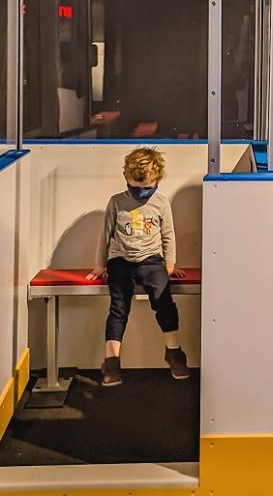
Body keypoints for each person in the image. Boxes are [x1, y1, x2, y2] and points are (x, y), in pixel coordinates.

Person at [87, 147, 190, 386]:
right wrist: (99, 265)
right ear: (126, 178)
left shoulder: (161, 203)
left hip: (152, 260)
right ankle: (112, 361)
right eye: (136, 186)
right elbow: (105, 234)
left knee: (163, 301)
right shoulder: (117, 202)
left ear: (157, 181)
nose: (141, 191)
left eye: (147, 187)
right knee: (118, 308)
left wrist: (171, 264)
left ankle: (174, 351)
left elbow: (168, 235)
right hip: (121, 261)